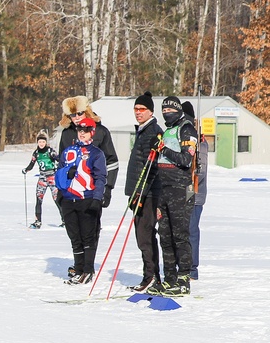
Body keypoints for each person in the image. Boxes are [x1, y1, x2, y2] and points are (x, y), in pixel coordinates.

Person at [149, 96, 199, 296]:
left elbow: (186, 159)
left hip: (181, 189)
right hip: (164, 188)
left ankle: (183, 278)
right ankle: (169, 278)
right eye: (164, 111)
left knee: (180, 234)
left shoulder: (186, 129)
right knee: (165, 235)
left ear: (178, 110)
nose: (166, 114)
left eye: (170, 110)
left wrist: (163, 149)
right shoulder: (167, 131)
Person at [55, 117, 108, 284]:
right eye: (79, 130)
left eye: (85, 131)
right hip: (69, 200)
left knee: (88, 236)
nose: (82, 134)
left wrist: (97, 198)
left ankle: (87, 270)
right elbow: (59, 172)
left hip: (87, 199)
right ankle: (78, 268)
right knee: (74, 237)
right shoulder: (68, 151)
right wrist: (61, 192)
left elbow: (100, 177)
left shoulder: (96, 153)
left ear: (92, 132)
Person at [125, 91, 164, 292]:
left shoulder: (153, 132)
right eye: (136, 109)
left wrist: (142, 191)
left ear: (150, 111)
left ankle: (152, 276)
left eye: (142, 110)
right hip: (137, 191)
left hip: (148, 193)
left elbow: (155, 167)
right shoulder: (142, 130)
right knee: (141, 235)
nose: (138, 113)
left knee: (145, 235)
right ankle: (150, 275)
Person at [57, 96, 120, 208]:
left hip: (92, 193)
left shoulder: (101, 132)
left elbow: (111, 162)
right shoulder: (66, 134)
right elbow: (61, 164)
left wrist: (107, 189)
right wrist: (60, 190)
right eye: (72, 115)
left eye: (80, 113)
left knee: (91, 225)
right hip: (70, 193)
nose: (77, 118)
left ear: (87, 112)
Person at [182, 101, 208, 280]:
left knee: (191, 230)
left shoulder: (199, 142)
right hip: (181, 191)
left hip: (193, 192)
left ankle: (191, 269)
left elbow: (200, 170)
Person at [21, 130, 59, 229]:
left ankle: (64, 220)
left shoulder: (50, 151)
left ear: (46, 142)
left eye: (43, 142)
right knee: (39, 199)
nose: (41, 144)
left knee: (57, 199)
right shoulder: (36, 153)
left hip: (52, 177)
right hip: (42, 178)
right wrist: (26, 170)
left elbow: (59, 159)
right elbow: (32, 164)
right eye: (39, 142)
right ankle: (38, 221)